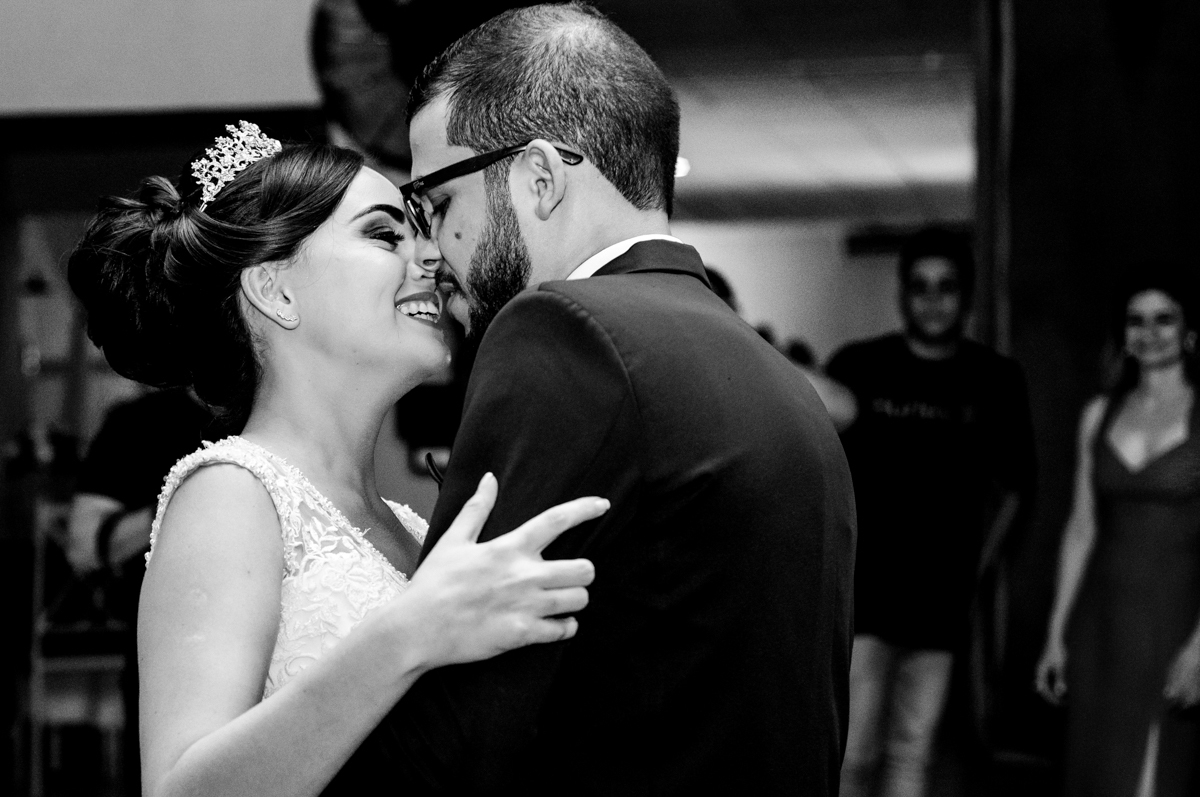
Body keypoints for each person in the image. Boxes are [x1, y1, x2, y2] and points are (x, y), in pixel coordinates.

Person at [329, 4, 856, 795]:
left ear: (539, 179)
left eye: (436, 201)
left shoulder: (563, 332)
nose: (433, 250)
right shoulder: (775, 375)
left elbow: (459, 731)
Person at [67, 120, 604, 797]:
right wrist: (409, 633)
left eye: (421, 229)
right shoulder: (233, 492)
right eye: (385, 234)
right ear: (275, 290)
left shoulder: (410, 524)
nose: (433, 258)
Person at [825, 228, 1035, 797]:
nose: (933, 299)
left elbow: (1017, 488)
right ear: (902, 295)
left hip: (942, 603)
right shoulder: (860, 366)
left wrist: (978, 568)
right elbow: (820, 470)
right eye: (919, 287)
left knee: (912, 754)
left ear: (966, 296)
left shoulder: (994, 379)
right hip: (865, 597)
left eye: (947, 287)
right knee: (853, 753)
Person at [1035, 271, 1200, 797]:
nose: (1149, 332)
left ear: (1189, 331)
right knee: (1098, 774)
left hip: (1176, 618)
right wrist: (1055, 635)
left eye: (1164, 319)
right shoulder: (1097, 415)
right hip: (1100, 623)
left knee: (1153, 779)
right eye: (1136, 320)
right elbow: (1081, 527)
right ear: (1122, 334)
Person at [65, 386, 213, 795]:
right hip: (166, 663)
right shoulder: (139, 421)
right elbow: (84, 545)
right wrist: (190, 499)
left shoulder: (281, 410)